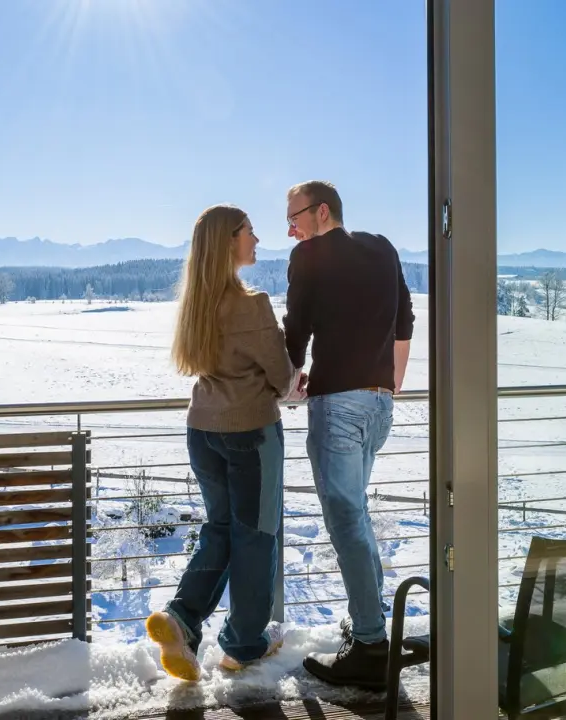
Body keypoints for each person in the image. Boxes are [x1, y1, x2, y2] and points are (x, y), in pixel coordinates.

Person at [145, 204, 305, 682]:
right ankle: (244, 645)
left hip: (203, 431)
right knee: (256, 536)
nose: (257, 240)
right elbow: (281, 377)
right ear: (229, 241)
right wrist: (295, 380)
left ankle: (180, 618)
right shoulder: (250, 303)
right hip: (249, 434)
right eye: (250, 232)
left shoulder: (196, 303)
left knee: (220, 529)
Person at [282, 180, 415, 688]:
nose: (291, 230)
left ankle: (370, 648)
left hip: (338, 408)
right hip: (379, 406)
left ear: (321, 213)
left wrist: (292, 382)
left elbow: (297, 330)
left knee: (347, 526)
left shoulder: (309, 256)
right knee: (355, 518)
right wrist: (390, 380)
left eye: (294, 218)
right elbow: (404, 319)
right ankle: (371, 629)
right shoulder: (382, 248)